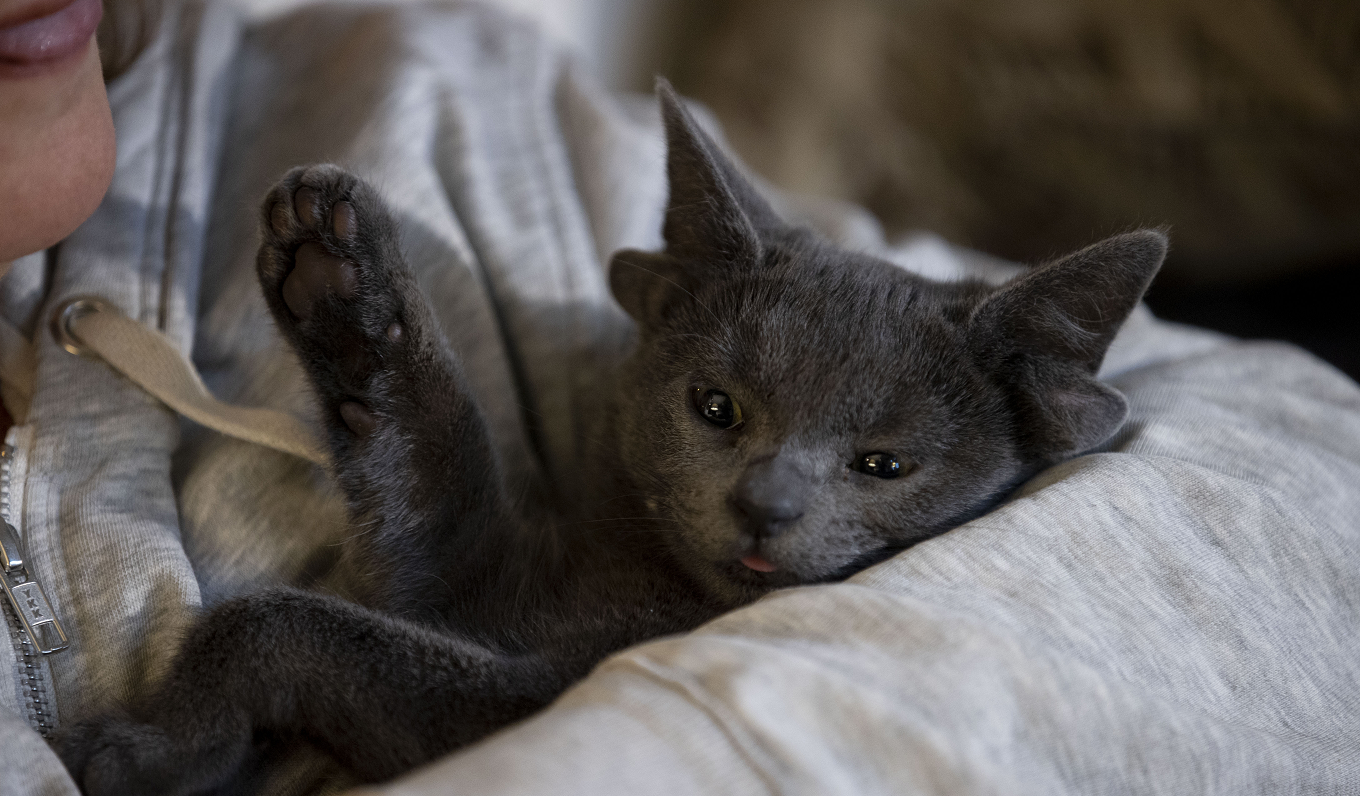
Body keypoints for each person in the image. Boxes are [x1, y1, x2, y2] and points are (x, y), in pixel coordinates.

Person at [2, 1, 1358, 794]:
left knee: (287, 640)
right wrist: (400, 390)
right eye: (721, 417)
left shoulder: (427, 84)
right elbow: (483, 619)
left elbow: (1302, 448)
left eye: (877, 468)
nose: (771, 495)